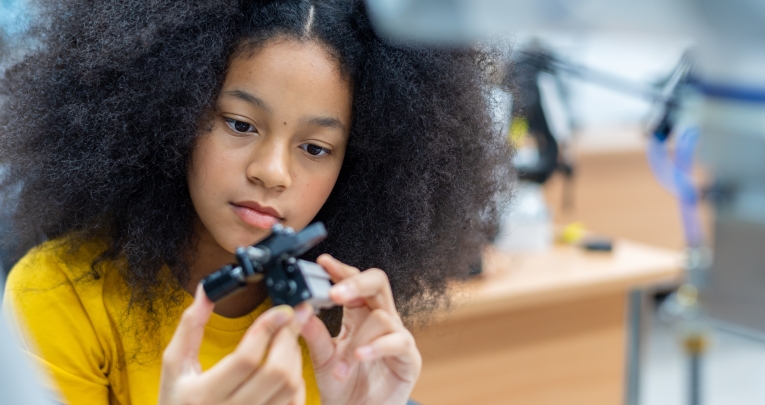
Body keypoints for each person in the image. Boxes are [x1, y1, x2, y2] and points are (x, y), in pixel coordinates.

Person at [0, 0, 513, 404]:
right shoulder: (59, 300)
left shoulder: (335, 324)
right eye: (240, 124)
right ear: (170, 112)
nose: (271, 171)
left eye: (315, 148)